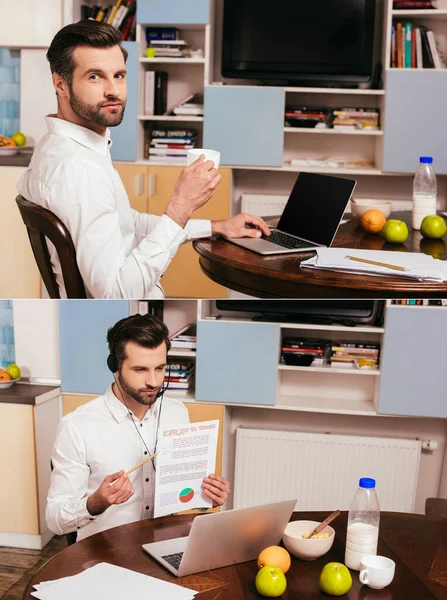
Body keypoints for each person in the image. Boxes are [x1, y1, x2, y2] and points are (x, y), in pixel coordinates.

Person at [17, 20, 269, 299]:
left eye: (119, 75)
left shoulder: (59, 146)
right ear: (61, 85)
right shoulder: (80, 169)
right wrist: (180, 207)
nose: (114, 90)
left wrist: (214, 227)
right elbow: (115, 294)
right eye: (94, 76)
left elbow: (126, 223)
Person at [46, 313, 230, 541]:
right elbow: (54, 519)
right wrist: (96, 502)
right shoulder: (76, 427)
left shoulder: (177, 413)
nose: (153, 381)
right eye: (140, 370)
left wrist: (206, 497)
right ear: (114, 366)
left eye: (160, 368)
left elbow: (183, 493)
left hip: (164, 545)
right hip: (105, 554)